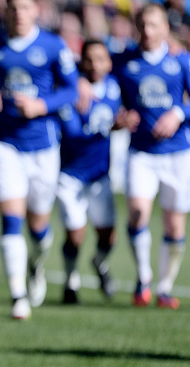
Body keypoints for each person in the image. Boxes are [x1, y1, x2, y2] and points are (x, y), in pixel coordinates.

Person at [0, 0, 79, 320]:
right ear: (6, 11)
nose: (18, 13)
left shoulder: (52, 44)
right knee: (10, 220)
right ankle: (18, 295)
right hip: (5, 145)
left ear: (36, 11)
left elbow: (71, 89)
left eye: (25, 7)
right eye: (13, 7)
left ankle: (37, 264)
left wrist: (41, 105)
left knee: (39, 226)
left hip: (43, 146)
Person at [111, 3, 190, 309]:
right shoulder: (124, 61)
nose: (148, 31)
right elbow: (104, 89)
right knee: (137, 214)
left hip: (177, 154)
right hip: (141, 153)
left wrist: (178, 113)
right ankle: (143, 278)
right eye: (143, 25)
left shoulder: (180, 60)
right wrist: (119, 119)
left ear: (165, 29)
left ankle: (165, 288)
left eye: (154, 25)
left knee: (174, 226)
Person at [57, 39, 139, 304]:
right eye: (89, 59)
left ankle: (99, 264)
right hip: (70, 175)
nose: (95, 64)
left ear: (109, 62)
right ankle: (70, 283)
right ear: (82, 62)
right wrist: (114, 126)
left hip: (100, 176)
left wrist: (123, 122)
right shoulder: (72, 91)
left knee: (108, 236)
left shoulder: (115, 86)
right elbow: (74, 134)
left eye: (100, 59)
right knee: (76, 234)